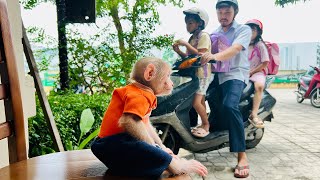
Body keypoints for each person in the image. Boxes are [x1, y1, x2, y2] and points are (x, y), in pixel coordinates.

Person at [91, 57, 208, 178]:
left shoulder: (138, 92)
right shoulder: (138, 95)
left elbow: (145, 124)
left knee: (151, 148)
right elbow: (130, 122)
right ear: (150, 73)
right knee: (147, 147)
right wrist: (155, 149)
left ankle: (162, 164)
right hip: (110, 145)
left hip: (111, 147)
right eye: (167, 76)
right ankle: (176, 167)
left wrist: (160, 146)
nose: (171, 82)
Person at [200, 0, 251, 178]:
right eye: (220, 12)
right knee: (197, 96)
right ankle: (206, 127)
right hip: (218, 76)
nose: (223, 16)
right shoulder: (214, 33)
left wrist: (214, 56)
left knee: (230, 105)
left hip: (236, 74)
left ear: (235, 12)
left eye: (227, 12)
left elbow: (235, 49)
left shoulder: (243, 30)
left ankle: (242, 156)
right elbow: (204, 52)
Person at [172, 7, 212, 138]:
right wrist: (179, 51)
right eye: (186, 23)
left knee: (196, 102)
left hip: (203, 74)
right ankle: (203, 124)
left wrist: (185, 44)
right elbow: (189, 58)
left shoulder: (203, 36)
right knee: (200, 102)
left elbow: (201, 54)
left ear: (199, 23)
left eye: (190, 23)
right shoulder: (191, 38)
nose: (187, 26)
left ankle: (206, 125)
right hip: (194, 75)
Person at [245, 19, 269, 128]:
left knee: (259, 86)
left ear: (258, 32)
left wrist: (252, 72)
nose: (251, 31)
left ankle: (254, 114)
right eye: (248, 29)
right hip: (244, 72)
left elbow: (265, 63)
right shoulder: (243, 45)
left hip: (257, 72)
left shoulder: (260, 45)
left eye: (253, 29)